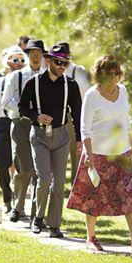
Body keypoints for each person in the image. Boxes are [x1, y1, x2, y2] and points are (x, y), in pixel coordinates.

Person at [67, 54, 132, 252]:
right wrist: (89, 154)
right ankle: (91, 238)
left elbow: (125, 119)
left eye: (116, 72)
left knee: (128, 191)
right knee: (93, 196)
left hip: (121, 153)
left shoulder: (123, 91)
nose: (113, 76)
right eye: (108, 72)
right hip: (98, 154)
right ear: (99, 74)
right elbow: (85, 128)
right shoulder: (92, 95)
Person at [19, 44, 82, 238]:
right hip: (39, 136)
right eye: (58, 62)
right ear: (49, 61)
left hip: (62, 136)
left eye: (65, 63)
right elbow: (22, 108)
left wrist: (79, 139)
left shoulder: (70, 85)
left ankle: (54, 224)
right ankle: (37, 218)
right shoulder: (34, 82)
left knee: (58, 183)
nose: (62, 66)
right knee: (44, 179)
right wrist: (36, 116)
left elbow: (78, 113)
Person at [2, 38, 48, 222]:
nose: (36, 57)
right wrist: (26, 108)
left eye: (39, 54)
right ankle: (18, 207)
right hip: (21, 124)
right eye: (32, 53)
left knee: (40, 170)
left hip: (41, 126)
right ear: (27, 55)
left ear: (43, 56)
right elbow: (5, 103)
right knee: (24, 167)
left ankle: (38, 212)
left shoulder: (49, 77)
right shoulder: (16, 76)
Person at [0, 45, 26, 212]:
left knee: (23, 165)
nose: (19, 63)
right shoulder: (0, 82)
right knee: (2, 164)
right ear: (8, 62)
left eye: (22, 60)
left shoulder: (29, 80)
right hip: (3, 124)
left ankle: (19, 202)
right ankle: (7, 199)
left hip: (22, 123)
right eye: (15, 60)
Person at [56, 41, 90, 183]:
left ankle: (75, 182)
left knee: (76, 149)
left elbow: (83, 90)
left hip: (73, 114)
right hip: (58, 114)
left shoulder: (78, 70)